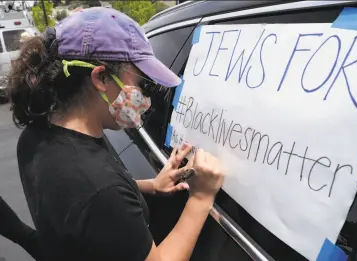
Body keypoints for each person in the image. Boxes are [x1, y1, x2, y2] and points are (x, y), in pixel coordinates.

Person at [8, 7, 225, 261]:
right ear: (101, 77)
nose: (146, 99)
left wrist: (150, 186)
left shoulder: (36, 136)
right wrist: (201, 197)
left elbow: (82, 206)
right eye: (144, 84)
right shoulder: (98, 187)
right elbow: (98, 197)